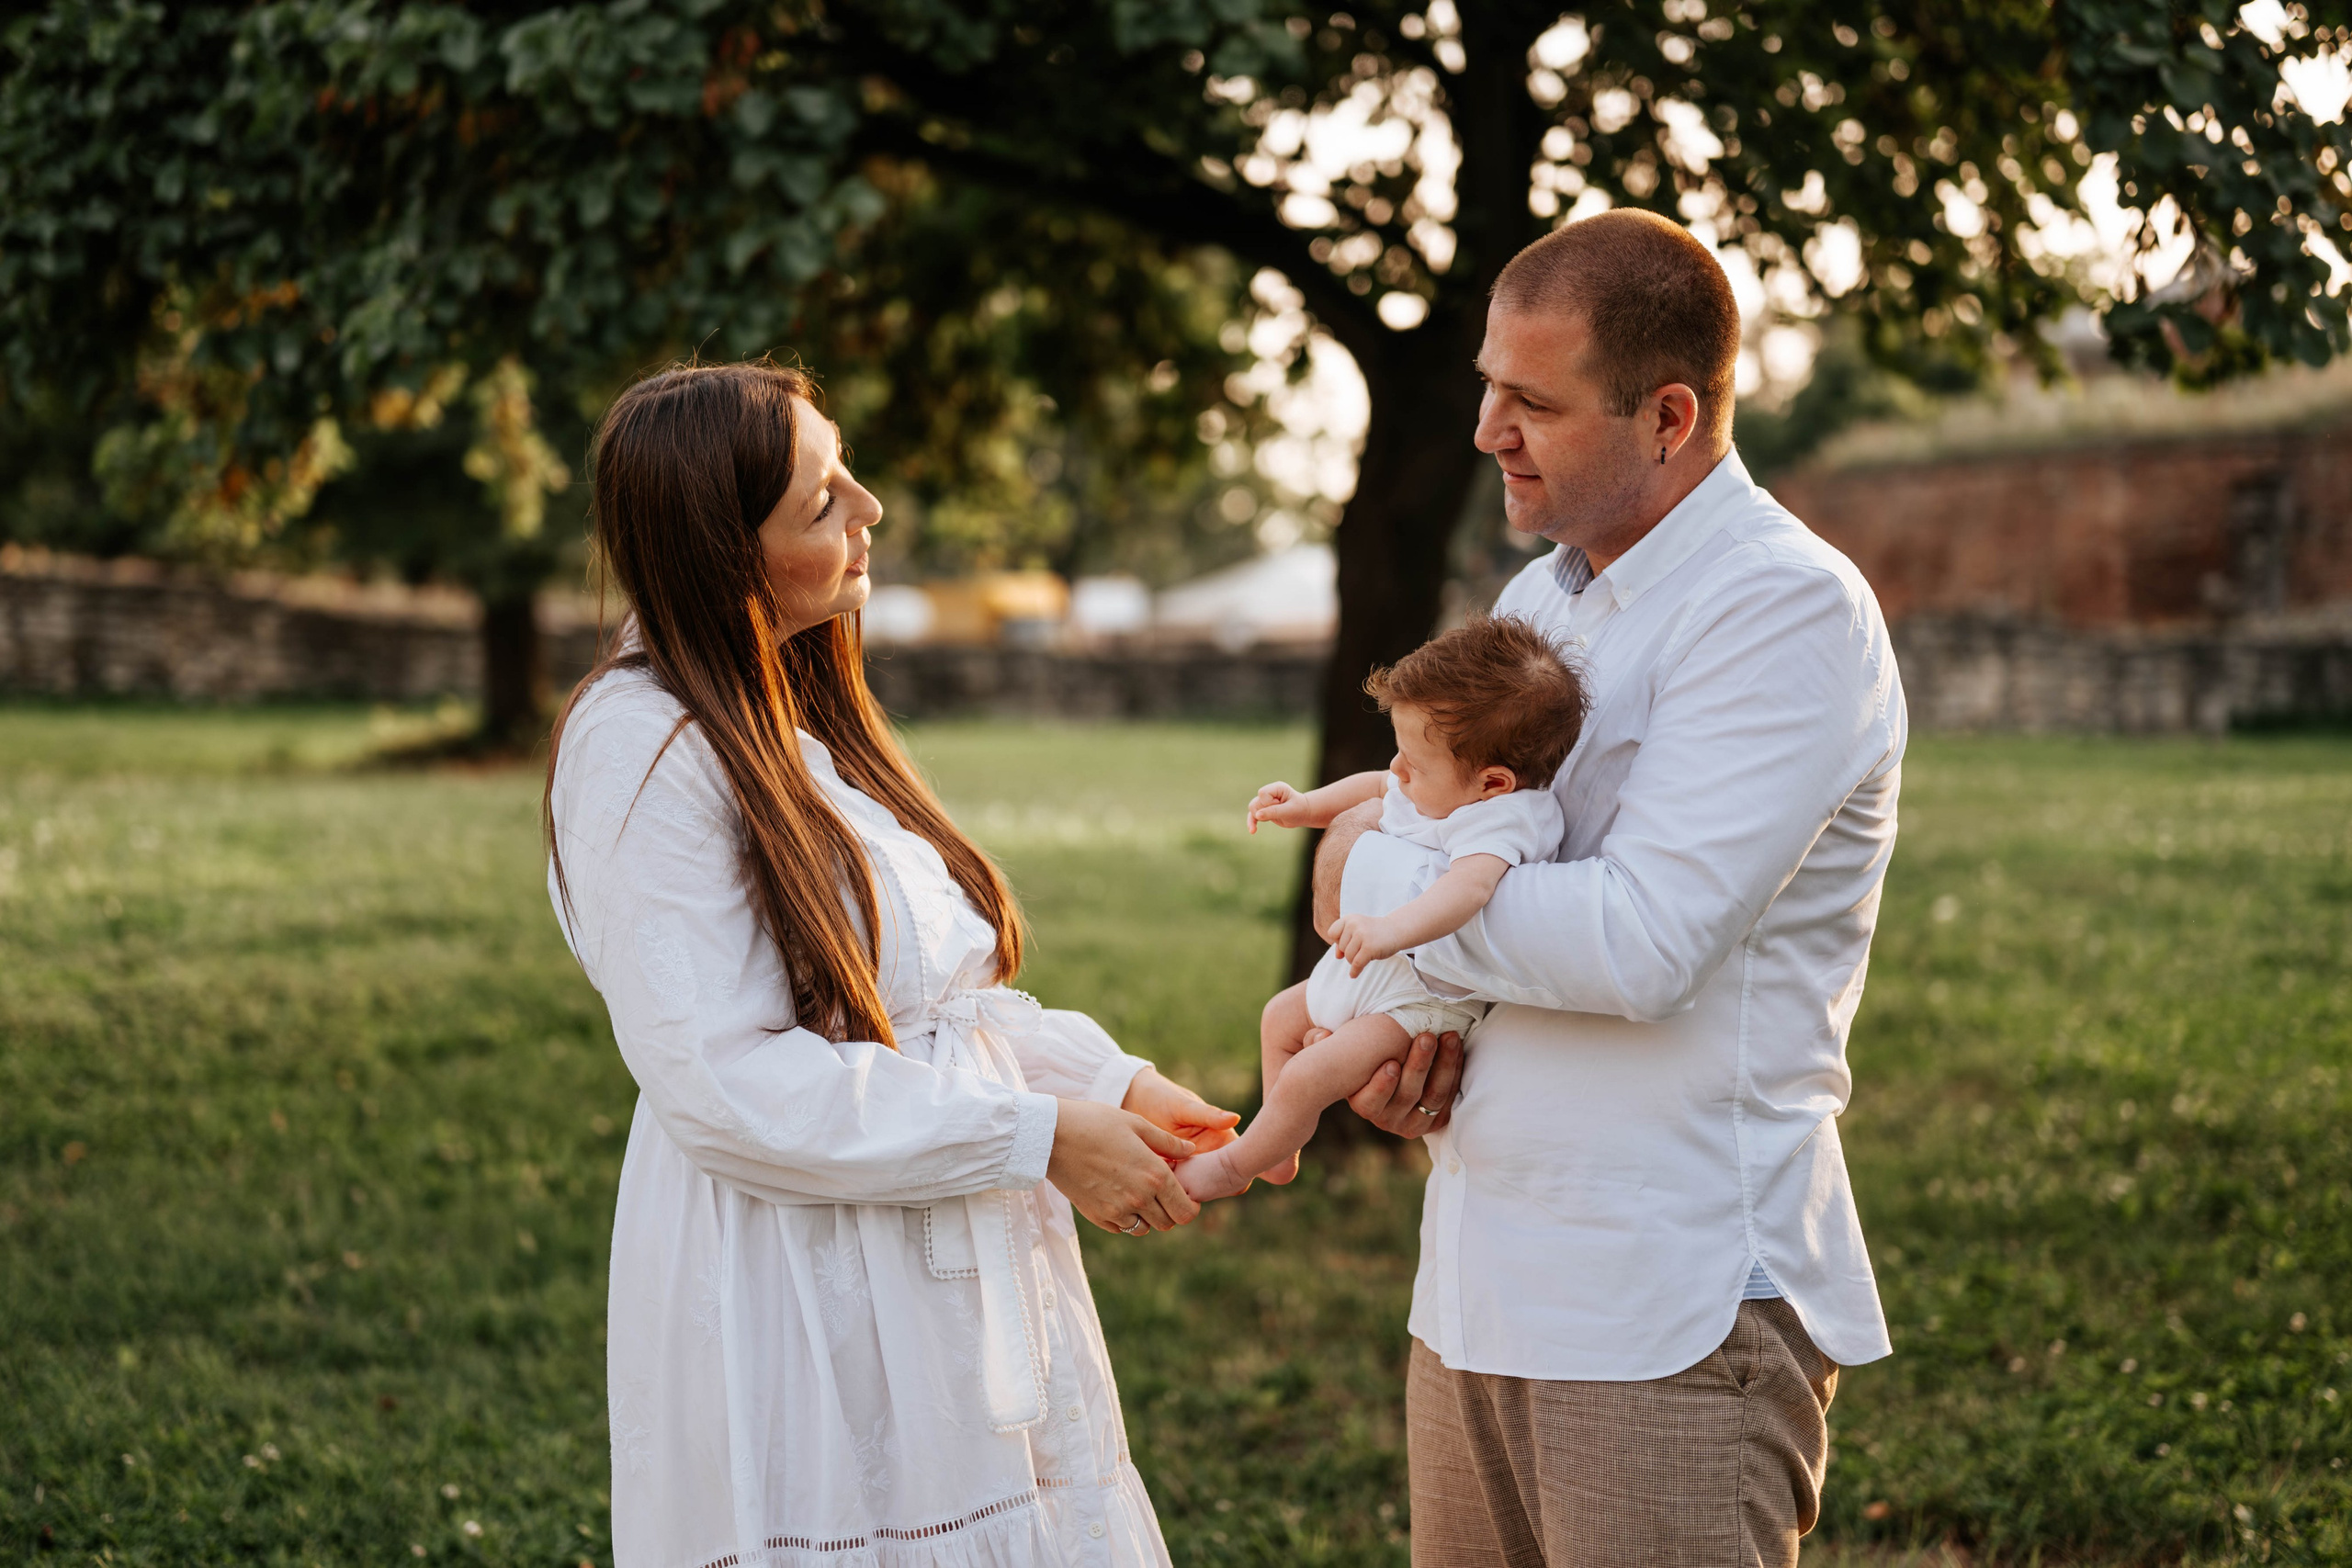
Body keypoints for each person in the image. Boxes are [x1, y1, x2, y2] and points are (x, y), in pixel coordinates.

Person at [542, 361, 1239, 1568]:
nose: (868, 509)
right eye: (822, 499)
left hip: (936, 1250)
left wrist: (1108, 1080)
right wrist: (1037, 1131)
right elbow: (725, 1079)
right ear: (723, 548)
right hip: (806, 1281)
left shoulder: (791, 720)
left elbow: (925, 1002)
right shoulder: (639, 744)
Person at [1325, 209, 1907, 1565]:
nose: (1485, 429)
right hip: (1481, 1272)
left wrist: (1384, 889)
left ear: (1668, 415)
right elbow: (1417, 836)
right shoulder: (1542, 601)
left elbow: (1642, 945)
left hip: (1668, 1295)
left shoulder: (1784, 607)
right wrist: (1393, 991)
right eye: (1487, 386)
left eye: (1533, 401)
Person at [1175, 615, 1586, 1201]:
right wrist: (1305, 806)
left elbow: (1466, 891)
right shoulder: (1444, 781)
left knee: (1310, 1074)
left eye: (1411, 765)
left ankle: (1234, 1166)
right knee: (1278, 1020)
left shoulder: (1504, 819)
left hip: (1420, 1002)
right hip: (1377, 968)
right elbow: (1376, 786)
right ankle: (1279, 1145)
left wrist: (1392, 928)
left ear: (1494, 782)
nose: (1397, 770)